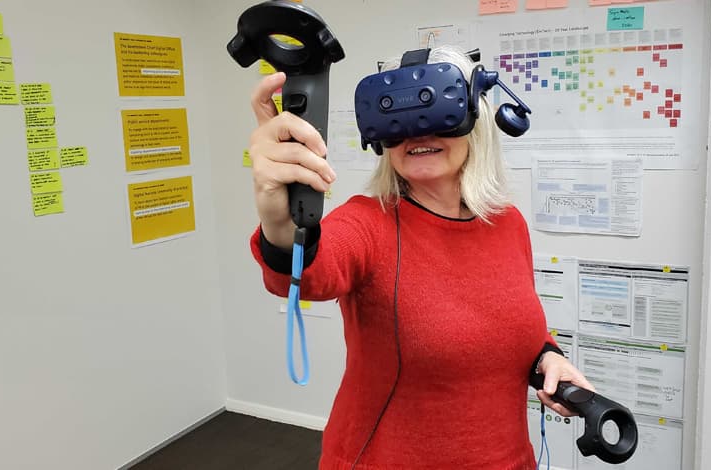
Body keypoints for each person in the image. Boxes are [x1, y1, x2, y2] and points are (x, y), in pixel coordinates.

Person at [246, 45, 594, 470]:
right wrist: (279, 217)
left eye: (437, 110)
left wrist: (547, 356)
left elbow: (514, 325)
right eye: (397, 117)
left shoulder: (507, 223)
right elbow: (307, 271)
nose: (418, 132)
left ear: (475, 119)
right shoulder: (366, 223)